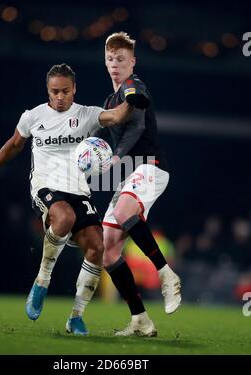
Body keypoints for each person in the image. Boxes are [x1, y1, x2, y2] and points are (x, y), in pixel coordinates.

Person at [0, 63, 143, 335]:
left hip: (79, 190)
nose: (59, 97)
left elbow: (117, 116)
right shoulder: (32, 117)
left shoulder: (87, 114)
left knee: (97, 245)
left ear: (74, 89)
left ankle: (76, 317)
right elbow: (14, 144)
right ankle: (42, 281)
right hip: (46, 186)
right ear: (48, 90)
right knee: (64, 217)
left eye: (65, 91)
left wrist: (132, 99)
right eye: (54, 91)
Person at [96, 32, 182, 337]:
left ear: (132, 62)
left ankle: (165, 274)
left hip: (151, 166)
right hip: (130, 173)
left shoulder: (135, 86)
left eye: (121, 59)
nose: (115, 64)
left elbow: (139, 121)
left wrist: (117, 156)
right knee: (107, 249)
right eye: (110, 59)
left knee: (123, 210)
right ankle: (140, 320)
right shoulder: (109, 100)